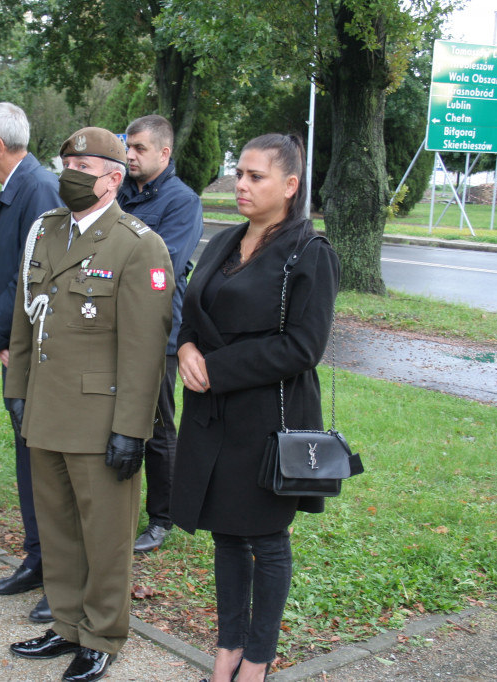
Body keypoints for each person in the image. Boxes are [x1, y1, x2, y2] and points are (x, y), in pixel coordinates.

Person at [5, 127, 173, 682]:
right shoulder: (47, 230)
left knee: (104, 536)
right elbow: (27, 318)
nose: (70, 172)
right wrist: (17, 392)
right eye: (67, 161)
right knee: (57, 527)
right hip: (47, 408)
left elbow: (146, 350)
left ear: (114, 177)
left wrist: (132, 430)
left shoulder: (137, 243)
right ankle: (67, 624)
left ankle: (102, 636)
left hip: (101, 418)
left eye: (84, 164)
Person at [171, 133, 340, 682]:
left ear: (290, 186)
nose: (241, 185)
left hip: (269, 420)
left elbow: (301, 347)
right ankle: (226, 652)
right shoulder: (224, 241)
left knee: (265, 541)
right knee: (225, 535)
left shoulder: (310, 253)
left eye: (255, 177)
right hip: (210, 419)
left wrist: (215, 369)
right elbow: (195, 309)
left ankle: (258, 661)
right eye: (239, 174)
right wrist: (188, 347)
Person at [0, 102, 61, 622]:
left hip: (37, 352)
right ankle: (37, 559)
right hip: (16, 350)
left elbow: (32, 275)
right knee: (29, 462)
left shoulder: (39, 188)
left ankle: (58, 572)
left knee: (47, 468)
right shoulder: (16, 187)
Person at [117, 114, 204, 554]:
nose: (129, 155)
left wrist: (112, 266)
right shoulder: (119, 191)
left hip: (157, 329)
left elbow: (162, 265)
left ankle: (162, 518)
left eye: (139, 148)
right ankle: (118, 506)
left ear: (164, 153)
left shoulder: (181, 202)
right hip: (112, 325)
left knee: (156, 425)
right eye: (127, 146)